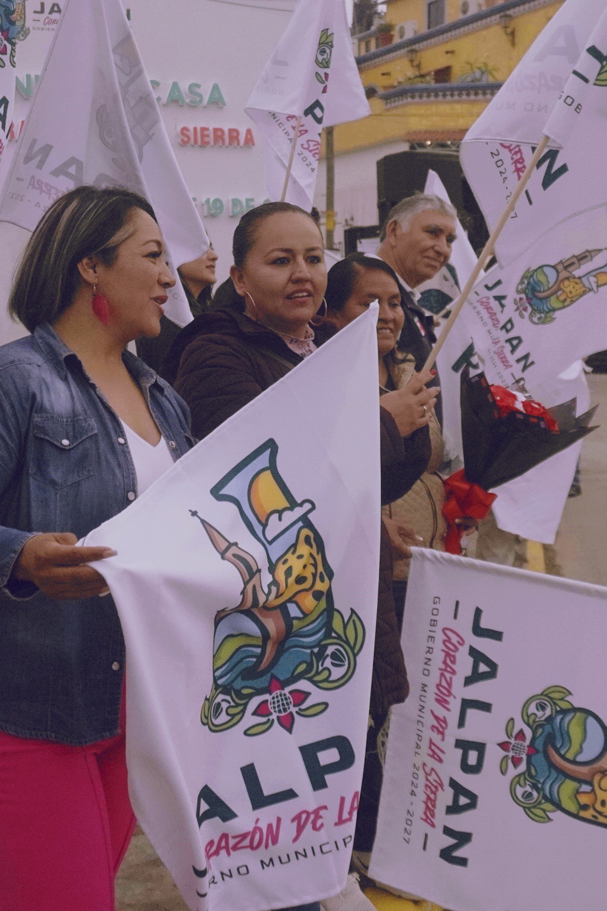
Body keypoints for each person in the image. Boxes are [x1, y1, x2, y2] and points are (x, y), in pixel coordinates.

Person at [0, 186, 193, 911]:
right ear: (89, 267)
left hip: (130, 712)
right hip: (18, 711)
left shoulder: (165, 399)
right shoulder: (5, 383)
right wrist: (22, 557)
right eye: (153, 255)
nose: (172, 276)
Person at [170, 208, 433, 910]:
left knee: (333, 804)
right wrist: (383, 422)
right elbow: (264, 475)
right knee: (279, 815)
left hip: (340, 610)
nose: (303, 276)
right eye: (280, 260)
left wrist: (402, 430)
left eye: (314, 259)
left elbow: (367, 479)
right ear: (238, 277)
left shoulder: (324, 350)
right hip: (274, 636)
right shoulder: (214, 352)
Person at [313, 254, 440, 890]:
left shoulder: (393, 369)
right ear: (330, 312)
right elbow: (323, 476)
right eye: (371, 302)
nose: (388, 314)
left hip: (379, 563)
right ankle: (353, 859)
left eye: (394, 303)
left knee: (378, 716)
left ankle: (366, 853)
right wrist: (388, 419)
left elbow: (387, 474)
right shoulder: (324, 375)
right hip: (331, 591)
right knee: (352, 724)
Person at [376, 191, 463, 354]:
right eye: (432, 233)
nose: (443, 249)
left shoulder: (404, 297)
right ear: (394, 231)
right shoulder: (362, 286)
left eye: (449, 240)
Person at [133, 243, 218, 375]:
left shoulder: (208, 315)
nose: (214, 256)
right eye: (201, 249)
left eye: (211, 248)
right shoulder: (165, 318)